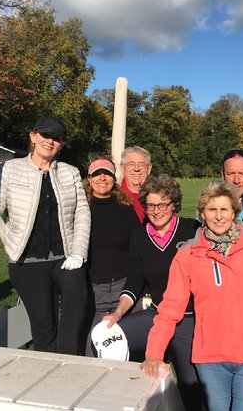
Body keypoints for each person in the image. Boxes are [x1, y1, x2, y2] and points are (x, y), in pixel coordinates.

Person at [142, 180, 243, 411]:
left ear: (234, 212)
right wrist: (154, 353)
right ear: (202, 213)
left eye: (224, 209)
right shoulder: (188, 253)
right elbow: (170, 307)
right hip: (210, 358)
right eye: (212, 210)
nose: (218, 216)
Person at [0, 116, 90, 354]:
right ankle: (48, 373)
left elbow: (82, 213)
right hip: (26, 262)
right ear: (33, 136)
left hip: (65, 260)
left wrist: (78, 253)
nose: (50, 141)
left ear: (61, 144)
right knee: (43, 326)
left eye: (57, 138)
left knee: (76, 308)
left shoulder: (70, 173)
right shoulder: (10, 169)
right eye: (45, 135)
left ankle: (70, 365)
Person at [103, 174, 205, 410]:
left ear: (173, 204)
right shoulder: (140, 235)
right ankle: (126, 402)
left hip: (189, 320)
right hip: (157, 315)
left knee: (191, 386)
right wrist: (117, 313)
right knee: (106, 337)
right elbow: (135, 280)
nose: (156, 210)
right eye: (150, 205)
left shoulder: (193, 229)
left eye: (163, 204)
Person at [81, 156, 141, 356]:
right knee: (93, 348)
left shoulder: (125, 209)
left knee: (126, 349)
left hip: (122, 288)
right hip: (92, 289)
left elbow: (136, 250)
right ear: (89, 179)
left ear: (113, 178)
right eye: (97, 174)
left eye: (107, 174)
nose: (102, 179)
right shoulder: (81, 208)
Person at [119, 146, 152, 222]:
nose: (136, 169)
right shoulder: (115, 197)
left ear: (149, 169)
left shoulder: (158, 196)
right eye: (131, 164)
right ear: (122, 169)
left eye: (141, 164)